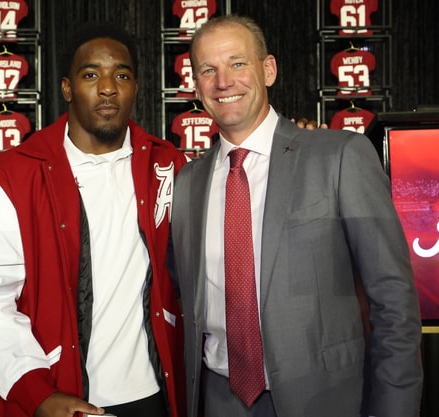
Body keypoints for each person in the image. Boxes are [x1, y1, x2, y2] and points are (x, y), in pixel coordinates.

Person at [170, 15, 423, 417]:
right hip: (219, 399)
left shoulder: (339, 156)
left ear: (267, 70)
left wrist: (395, 408)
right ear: (196, 86)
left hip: (324, 399)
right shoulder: (187, 183)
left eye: (238, 63)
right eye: (208, 70)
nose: (223, 81)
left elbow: (392, 298)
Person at [0, 23, 188, 417]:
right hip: (59, 396)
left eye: (122, 75)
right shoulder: (11, 175)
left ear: (136, 87)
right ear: (67, 88)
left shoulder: (168, 164)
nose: (108, 87)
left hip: (155, 395)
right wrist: (37, 393)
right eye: (91, 74)